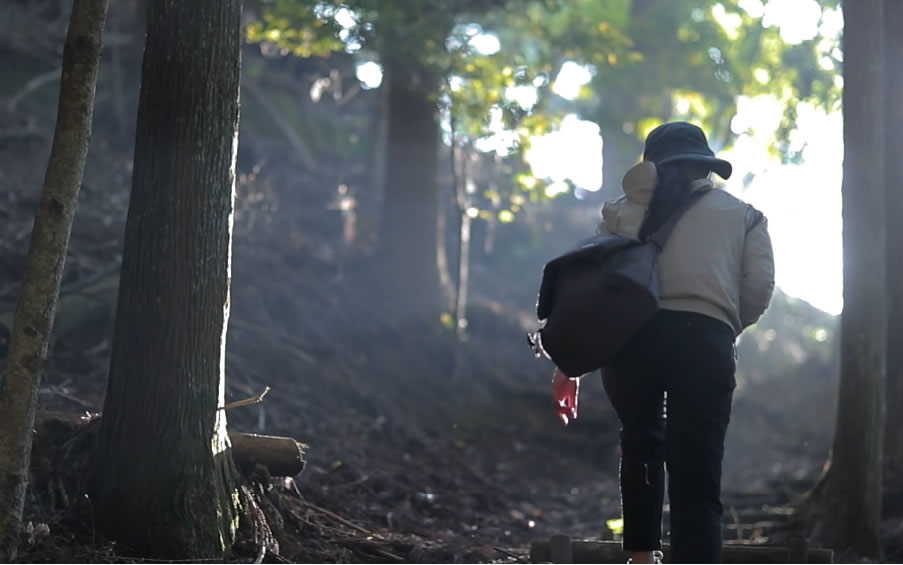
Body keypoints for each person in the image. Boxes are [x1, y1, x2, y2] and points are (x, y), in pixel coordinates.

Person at [552, 122, 775, 564]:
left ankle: (641, 556)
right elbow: (759, 285)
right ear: (705, 165)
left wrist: (568, 364)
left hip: (631, 340)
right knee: (698, 467)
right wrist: (725, 324)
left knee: (640, 445)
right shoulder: (744, 215)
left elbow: (591, 292)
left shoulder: (618, 212)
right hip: (705, 341)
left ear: (651, 165)